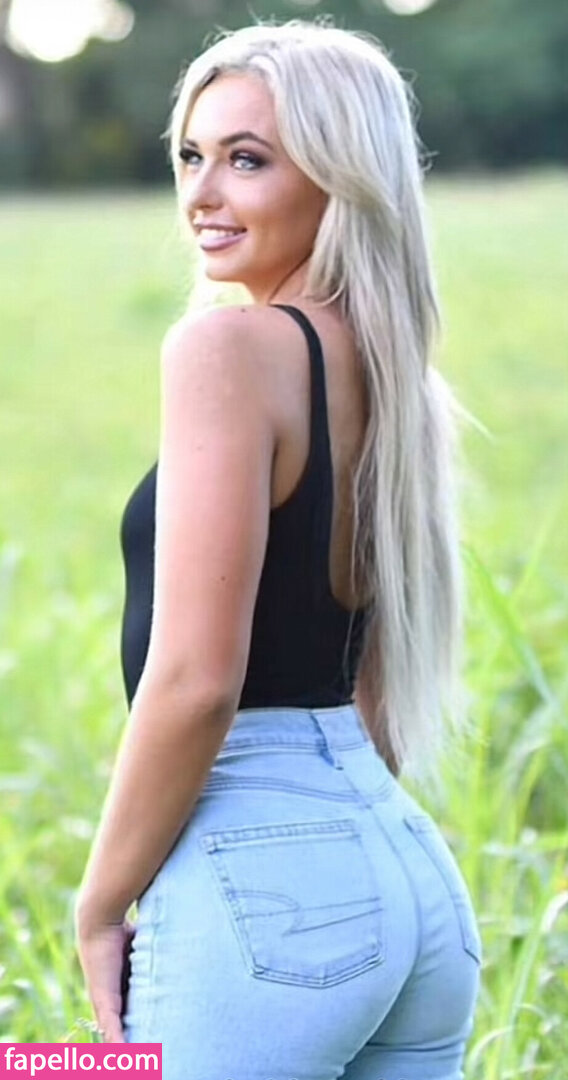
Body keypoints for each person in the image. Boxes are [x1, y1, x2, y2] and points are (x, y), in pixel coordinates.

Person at [75, 18, 482, 1079]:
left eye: (247, 159)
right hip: (402, 878)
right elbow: (375, 689)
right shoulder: (392, 375)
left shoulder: (228, 348)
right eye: (192, 155)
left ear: (340, 178)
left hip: (259, 889)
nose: (202, 194)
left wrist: (100, 902)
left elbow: (196, 680)